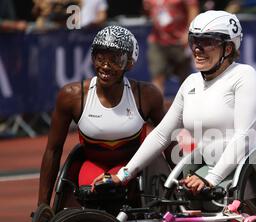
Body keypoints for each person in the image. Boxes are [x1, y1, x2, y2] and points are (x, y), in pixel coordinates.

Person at [93, 10, 256, 222]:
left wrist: (210, 178)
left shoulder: (243, 76)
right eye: (194, 41)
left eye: (207, 42)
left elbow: (244, 136)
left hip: (249, 167)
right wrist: (123, 174)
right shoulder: (191, 82)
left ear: (228, 48)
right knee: (172, 191)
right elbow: (162, 134)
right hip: (208, 164)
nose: (197, 49)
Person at [38, 25, 169, 207]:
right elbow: (53, 150)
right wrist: (42, 205)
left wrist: (183, 180)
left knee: (113, 191)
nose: (106, 66)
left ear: (130, 62)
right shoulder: (72, 96)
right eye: (100, 57)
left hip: (132, 169)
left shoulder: (146, 95)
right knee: (94, 193)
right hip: (92, 165)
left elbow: (167, 138)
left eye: (115, 59)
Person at [142, 0, 199, 95]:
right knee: (157, 75)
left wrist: (189, 32)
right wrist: (147, 9)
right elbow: (148, 12)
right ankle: (157, 107)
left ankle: (187, 105)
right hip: (157, 40)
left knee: (184, 77)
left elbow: (193, 9)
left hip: (180, 41)